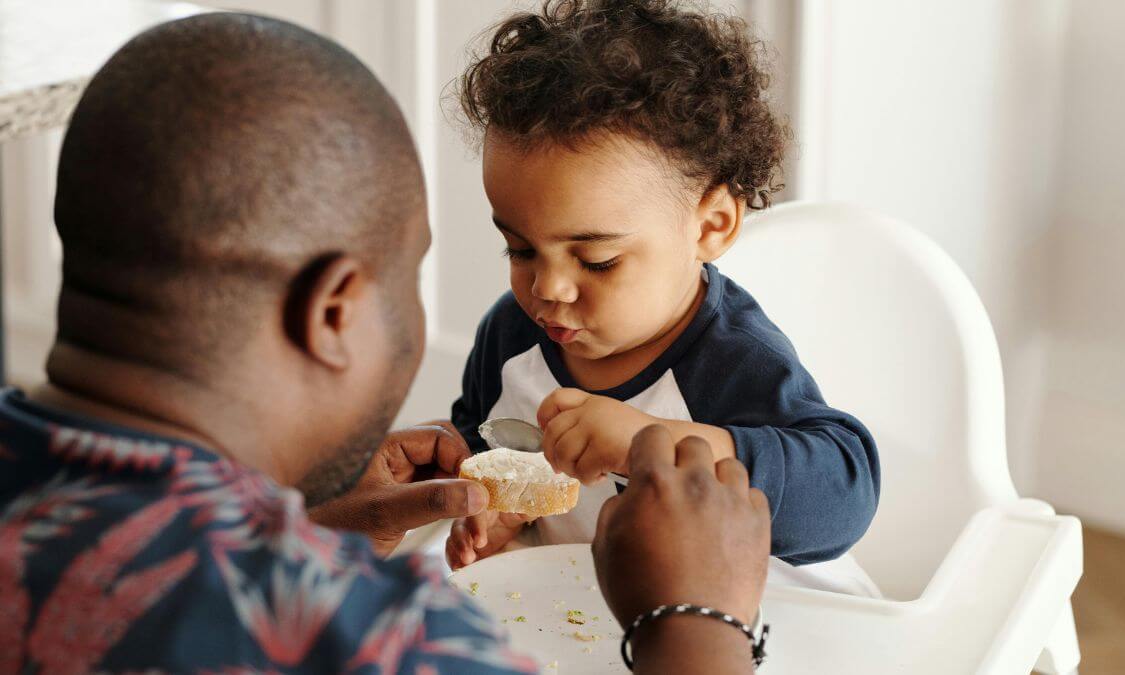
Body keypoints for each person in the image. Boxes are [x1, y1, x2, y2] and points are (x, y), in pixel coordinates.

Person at [0, 12, 770, 674]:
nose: (541, 292)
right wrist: (693, 623)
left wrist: (302, 531)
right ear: (334, 311)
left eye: (594, 258)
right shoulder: (384, 642)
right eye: (411, 274)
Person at [444, 0, 882, 595]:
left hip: (753, 625)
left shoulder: (732, 358)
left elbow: (844, 494)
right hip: (583, 619)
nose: (546, 289)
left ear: (710, 227)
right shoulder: (513, 334)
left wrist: (656, 444)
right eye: (520, 250)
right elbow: (483, 435)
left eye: (597, 260)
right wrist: (495, 512)